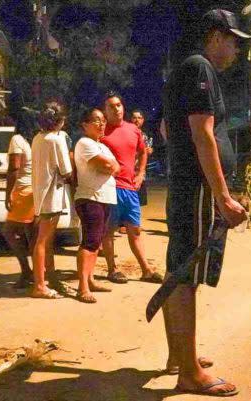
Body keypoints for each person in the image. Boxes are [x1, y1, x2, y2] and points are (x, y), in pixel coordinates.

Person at [161, 9, 250, 397]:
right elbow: (203, 136)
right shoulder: (200, 68)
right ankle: (190, 373)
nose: (236, 49)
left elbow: (168, 129)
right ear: (215, 36)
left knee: (178, 269)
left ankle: (180, 356)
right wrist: (223, 196)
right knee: (187, 278)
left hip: (187, 186)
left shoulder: (188, 69)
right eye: (233, 40)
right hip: (196, 190)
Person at [100, 92, 162, 285]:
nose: (116, 108)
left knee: (135, 231)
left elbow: (143, 151)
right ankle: (112, 269)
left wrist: (141, 173)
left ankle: (146, 270)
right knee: (108, 231)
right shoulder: (101, 132)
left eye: (118, 105)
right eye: (111, 106)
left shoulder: (133, 130)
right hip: (110, 188)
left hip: (130, 189)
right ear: (105, 110)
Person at [73, 108, 120, 303]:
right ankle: (82, 287)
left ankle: (90, 280)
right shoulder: (84, 143)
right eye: (97, 121)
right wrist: (110, 166)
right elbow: (107, 166)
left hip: (104, 198)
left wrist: (110, 166)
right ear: (85, 124)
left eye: (103, 121)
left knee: (96, 241)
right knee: (90, 242)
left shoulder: (102, 146)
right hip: (90, 197)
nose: (102, 124)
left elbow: (116, 167)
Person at [30, 101, 73, 299]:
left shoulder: (37, 138)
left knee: (44, 241)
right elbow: (66, 170)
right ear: (60, 121)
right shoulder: (56, 140)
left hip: (41, 193)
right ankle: (39, 285)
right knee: (43, 241)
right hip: (51, 195)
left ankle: (48, 277)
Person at [2, 111, 36, 289]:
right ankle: (37, 273)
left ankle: (26, 271)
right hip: (35, 191)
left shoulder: (17, 140)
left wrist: (7, 193)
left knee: (8, 231)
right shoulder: (35, 140)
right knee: (32, 235)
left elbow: (14, 169)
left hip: (23, 191)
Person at [130, 109, 153, 207]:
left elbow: (147, 152)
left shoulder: (144, 136)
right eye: (134, 118)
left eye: (139, 118)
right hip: (128, 173)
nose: (137, 120)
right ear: (130, 119)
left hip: (140, 174)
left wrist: (149, 151)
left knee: (139, 203)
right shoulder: (128, 134)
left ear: (143, 120)